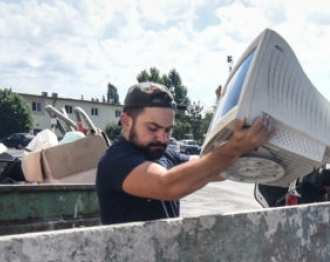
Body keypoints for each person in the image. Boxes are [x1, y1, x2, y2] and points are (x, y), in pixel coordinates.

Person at [95, 82, 276, 224]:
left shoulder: (165, 155)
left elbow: (214, 169)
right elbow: (167, 186)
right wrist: (235, 148)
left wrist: (231, 122)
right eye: (153, 128)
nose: (162, 138)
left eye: (168, 130)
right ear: (126, 121)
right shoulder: (115, 160)